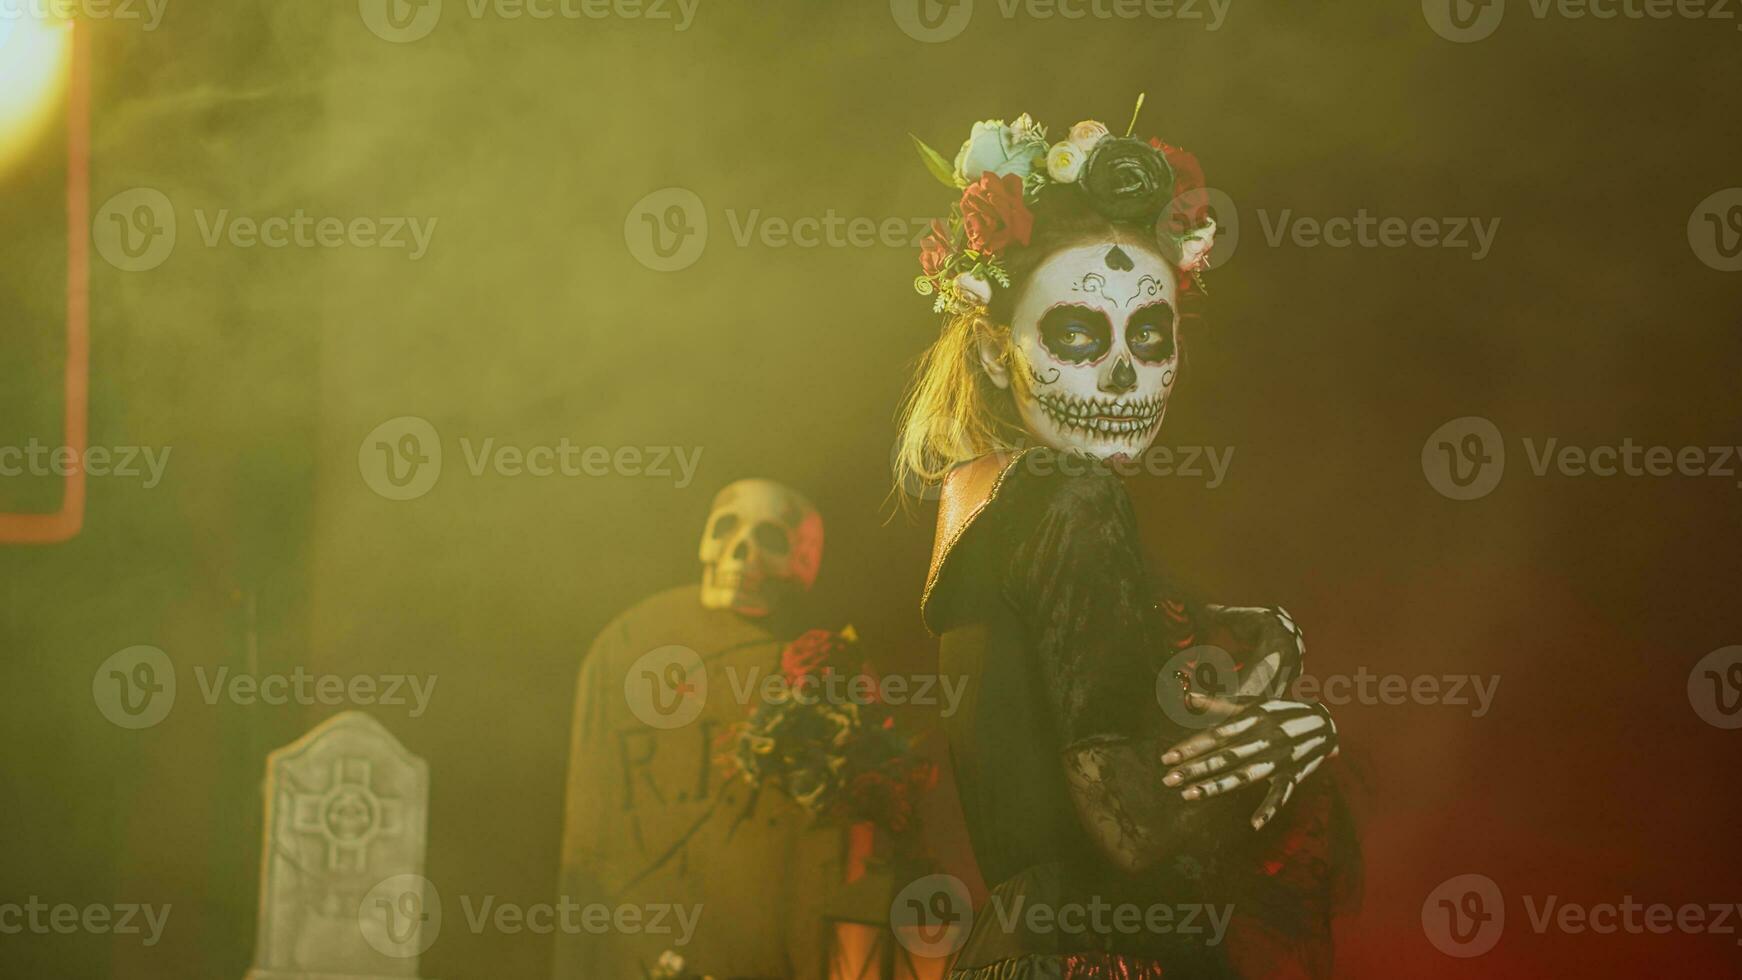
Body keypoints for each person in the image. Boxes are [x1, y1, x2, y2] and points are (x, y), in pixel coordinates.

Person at [897, 110, 1359, 978]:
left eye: (1150, 337)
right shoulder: (1072, 494)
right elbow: (1129, 822)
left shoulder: (989, 503)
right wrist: (1278, 733)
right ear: (997, 355)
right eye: (1077, 333)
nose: (1123, 374)